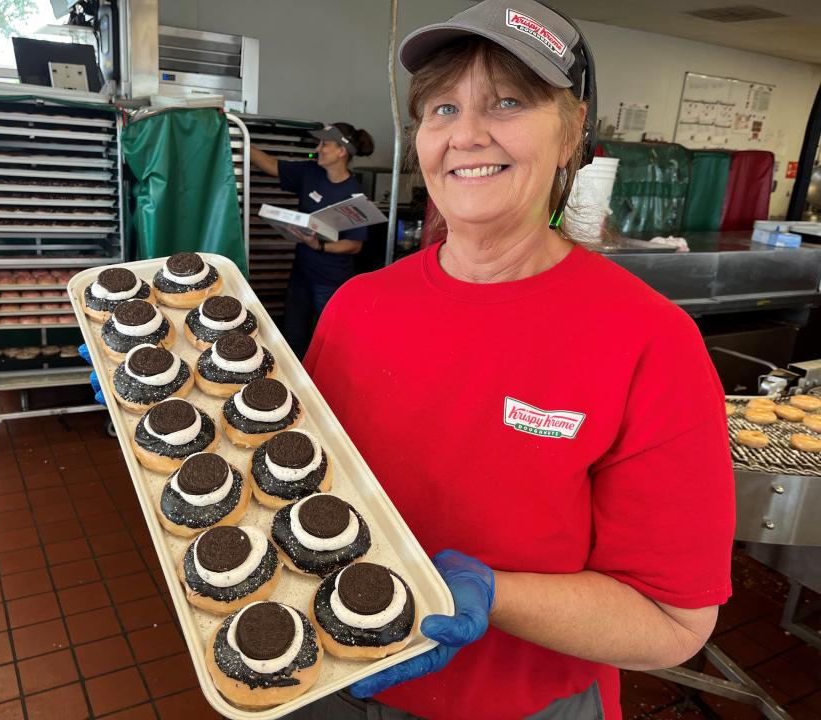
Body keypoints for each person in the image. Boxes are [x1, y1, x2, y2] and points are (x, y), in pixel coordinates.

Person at [292, 2, 735, 719]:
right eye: (441, 108)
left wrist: (494, 594)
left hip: (524, 703)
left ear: (571, 133)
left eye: (507, 102)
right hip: (330, 679)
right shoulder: (356, 308)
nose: (466, 135)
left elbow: (672, 623)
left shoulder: (648, 341)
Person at [250, 122, 374, 358]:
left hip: (330, 282)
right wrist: (241, 139)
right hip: (301, 276)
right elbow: (271, 165)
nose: (318, 149)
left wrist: (321, 245)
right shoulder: (310, 173)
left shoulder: (355, 195)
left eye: (324, 144)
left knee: (332, 342)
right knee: (293, 336)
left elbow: (354, 245)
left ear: (341, 151)